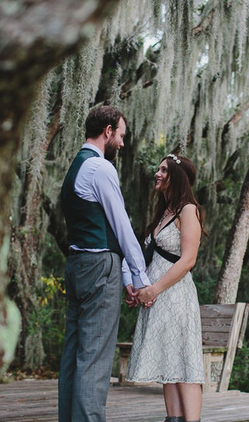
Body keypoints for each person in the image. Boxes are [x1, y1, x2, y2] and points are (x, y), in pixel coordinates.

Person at [58, 106, 150, 422]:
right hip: (99, 267)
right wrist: (141, 279)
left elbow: (107, 228)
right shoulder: (100, 168)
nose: (122, 144)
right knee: (95, 358)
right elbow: (122, 227)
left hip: (77, 265)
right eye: (121, 136)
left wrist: (126, 276)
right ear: (108, 131)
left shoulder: (75, 167)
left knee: (74, 354)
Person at [126, 153, 207, 422]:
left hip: (176, 296)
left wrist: (155, 289)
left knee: (183, 363)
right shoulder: (164, 213)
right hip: (158, 296)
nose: (157, 174)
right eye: (158, 169)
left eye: (164, 170)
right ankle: (172, 419)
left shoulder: (188, 210)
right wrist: (139, 288)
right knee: (168, 364)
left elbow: (188, 259)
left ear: (178, 177)